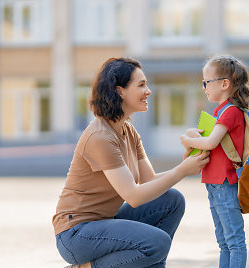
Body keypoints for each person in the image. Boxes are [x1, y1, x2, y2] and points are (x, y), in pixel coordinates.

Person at [52, 57, 210, 268]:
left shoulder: (128, 131)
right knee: (156, 242)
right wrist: (181, 171)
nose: (149, 91)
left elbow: (149, 181)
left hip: (106, 223)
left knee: (172, 200)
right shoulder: (100, 136)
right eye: (142, 85)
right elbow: (134, 196)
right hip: (76, 234)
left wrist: (186, 165)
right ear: (120, 91)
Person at [180, 55, 249, 268]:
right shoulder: (220, 111)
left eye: (206, 82)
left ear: (224, 84)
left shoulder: (230, 111)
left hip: (225, 184)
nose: (203, 87)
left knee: (234, 241)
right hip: (215, 183)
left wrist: (186, 138)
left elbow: (211, 143)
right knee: (224, 241)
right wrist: (194, 137)